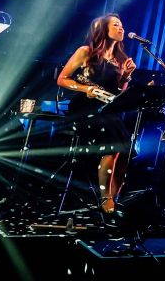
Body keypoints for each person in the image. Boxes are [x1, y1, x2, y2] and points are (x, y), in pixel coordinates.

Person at [57, 13, 136, 214]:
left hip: (106, 109)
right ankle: (105, 198)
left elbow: (118, 93)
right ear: (104, 29)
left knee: (126, 151)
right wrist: (85, 89)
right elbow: (62, 79)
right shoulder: (86, 52)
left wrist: (126, 76)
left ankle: (113, 199)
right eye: (116, 25)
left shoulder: (120, 60)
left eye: (122, 25)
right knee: (113, 143)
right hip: (84, 108)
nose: (121, 28)